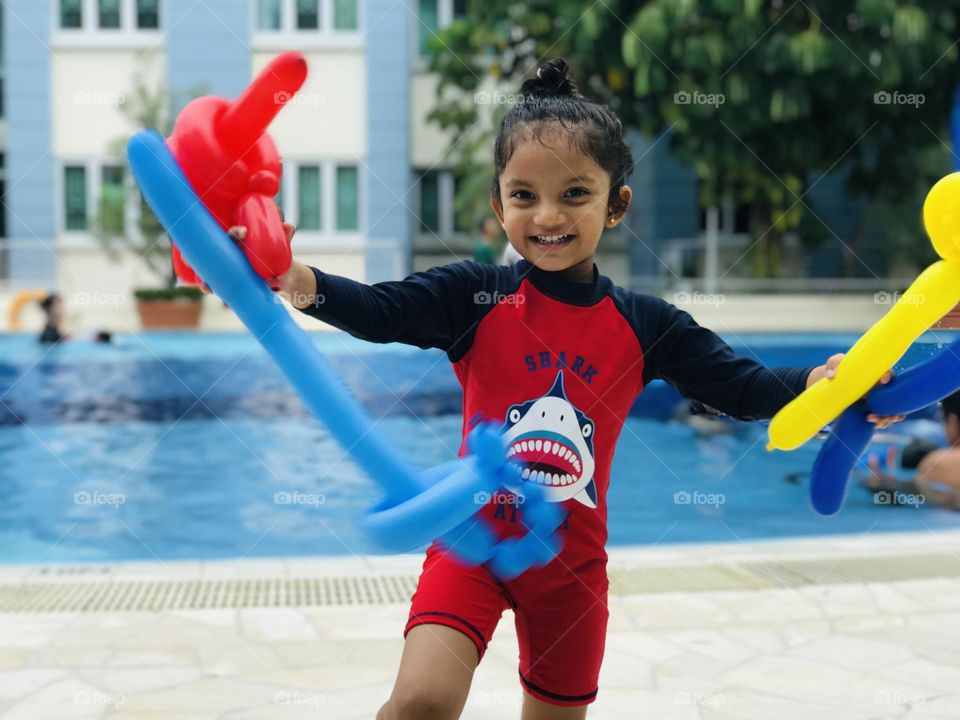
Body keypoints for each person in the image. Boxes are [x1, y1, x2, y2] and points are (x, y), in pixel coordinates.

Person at [228, 59, 902, 719]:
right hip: (470, 541)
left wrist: (817, 383)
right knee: (420, 702)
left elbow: (739, 385)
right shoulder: (477, 295)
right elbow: (384, 310)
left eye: (575, 193)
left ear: (617, 204)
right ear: (499, 204)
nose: (547, 215)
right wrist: (297, 278)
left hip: (571, 571)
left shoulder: (646, 324)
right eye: (524, 195)